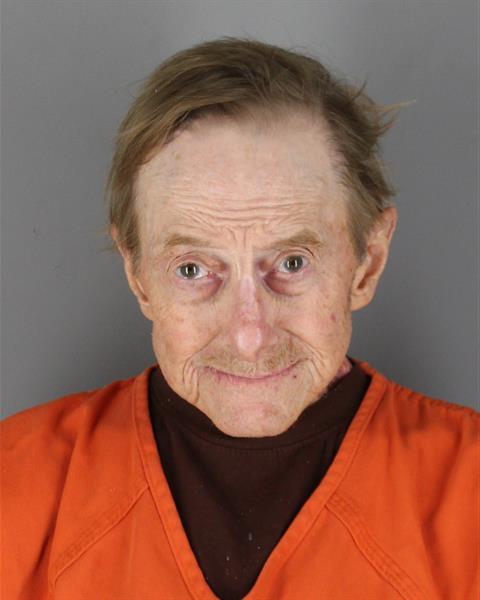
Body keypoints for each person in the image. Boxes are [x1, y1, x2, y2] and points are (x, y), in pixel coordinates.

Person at [1, 37, 478, 600]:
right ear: (139, 278)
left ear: (366, 264)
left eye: (292, 262)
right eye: (193, 269)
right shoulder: (15, 483)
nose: (249, 336)